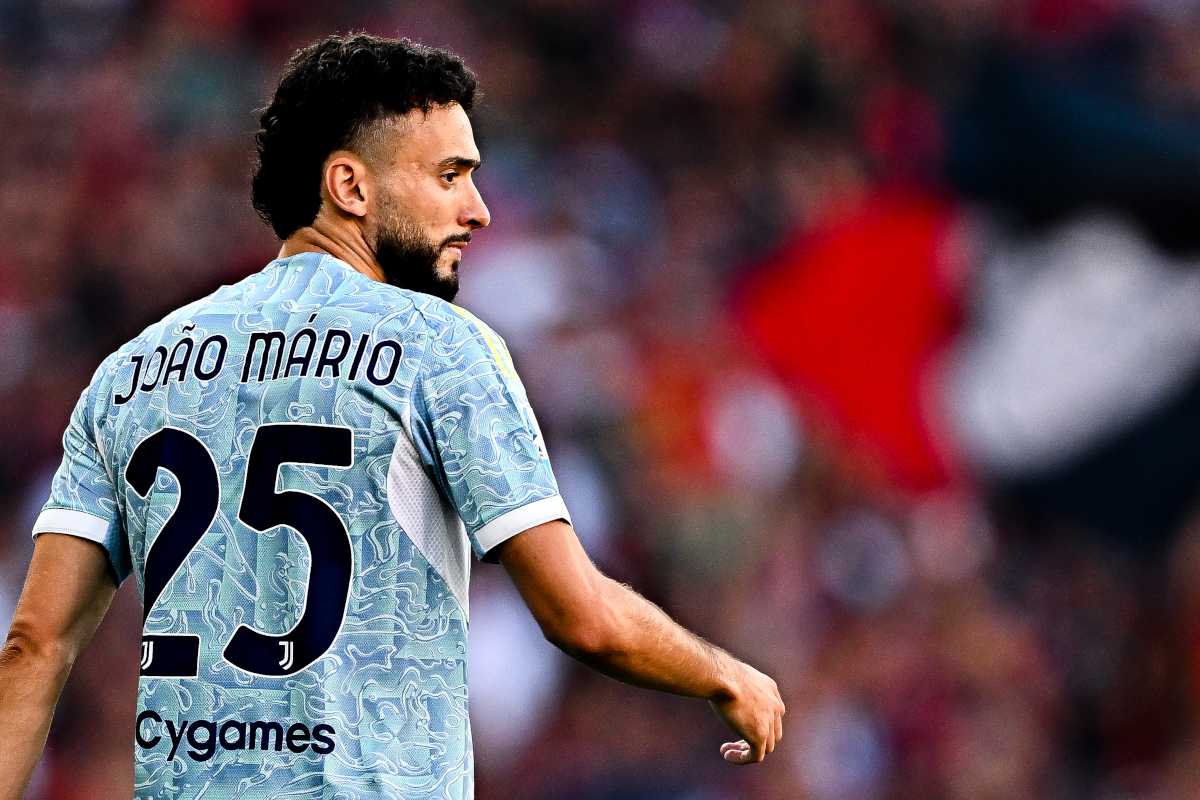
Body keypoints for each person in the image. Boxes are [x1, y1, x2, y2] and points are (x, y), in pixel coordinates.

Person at [0, 34, 784, 799]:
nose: (477, 210)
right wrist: (725, 674)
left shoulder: (131, 372)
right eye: (448, 177)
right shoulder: (442, 350)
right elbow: (582, 618)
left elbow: (35, 645)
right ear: (350, 186)